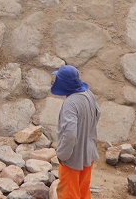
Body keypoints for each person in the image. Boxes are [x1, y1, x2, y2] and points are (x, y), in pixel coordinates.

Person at [53, 65, 101, 199]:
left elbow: (70, 134)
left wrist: (63, 154)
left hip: (73, 158)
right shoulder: (88, 94)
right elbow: (98, 113)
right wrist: (88, 135)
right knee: (83, 192)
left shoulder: (70, 103)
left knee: (68, 194)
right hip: (88, 154)